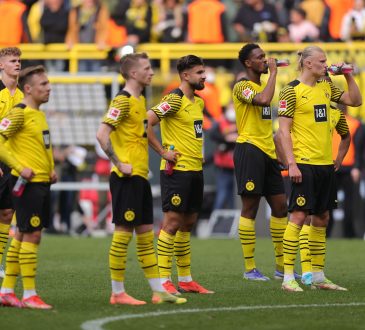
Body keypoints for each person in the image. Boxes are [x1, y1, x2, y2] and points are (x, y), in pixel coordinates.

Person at [96, 52, 186, 305]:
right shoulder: (122, 101)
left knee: (146, 234)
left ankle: (158, 291)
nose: (152, 72)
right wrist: (118, 162)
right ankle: (117, 293)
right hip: (126, 177)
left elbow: (144, 134)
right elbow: (102, 134)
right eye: (147, 68)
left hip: (140, 177)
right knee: (123, 234)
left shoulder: (140, 100)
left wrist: (163, 153)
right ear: (134, 73)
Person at [275, 45, 362, 292]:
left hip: (325, 164)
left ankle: (319, 275)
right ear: (308, 64)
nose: (327, 64)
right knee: (299, 216)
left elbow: (355, 101)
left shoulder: (326, 87)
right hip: (303, 163)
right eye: (322, 61)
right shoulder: (290, 91)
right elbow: (283, 131)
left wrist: (348, 75)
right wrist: (291, 163)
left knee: (322, 217)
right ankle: (288, 277)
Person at [147, 55, 214, 295]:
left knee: (187, 225)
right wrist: (164, 152)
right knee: (172, 223)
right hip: (177, 172)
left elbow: (194, 133)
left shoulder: (198, 102)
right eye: (199, 72)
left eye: (203, 72)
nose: (204, 76)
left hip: (195, 170)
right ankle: (164, 279)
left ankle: (185, 279)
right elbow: (147, 121)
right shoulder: (173, 100)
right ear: (185, 76)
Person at [232, 43, 292, 282]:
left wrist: (280, 155)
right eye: (260, 58)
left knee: (280, 207)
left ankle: (280, 267)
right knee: (250, 209)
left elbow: (270, 127)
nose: (265, 61)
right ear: (248, 63)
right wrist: (275, 72)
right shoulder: (241, 86)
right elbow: (264, 100)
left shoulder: (261, 85)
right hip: (249, 150)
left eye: (265, 57)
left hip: (267, 153)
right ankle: (249, 268)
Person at [0, 65, 57, 309]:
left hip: (42, 181)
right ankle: (30, 295)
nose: (49, 88)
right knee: (32, 235)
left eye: (48, 83)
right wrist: (18, 166)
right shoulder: (19, 113)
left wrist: (51, 168)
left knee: (23, 234)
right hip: (27, 183)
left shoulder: (39, 114)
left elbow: (44, 147)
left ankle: (6, 292)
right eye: (43, 84)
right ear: (28, 89)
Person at [0, 47, 23, 279]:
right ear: (1, 65)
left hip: (12, 162)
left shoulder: (21, 96)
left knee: (7, 212)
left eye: (19, 60)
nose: (17, 64)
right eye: (12, 61)